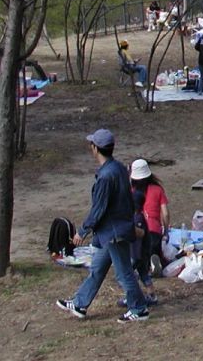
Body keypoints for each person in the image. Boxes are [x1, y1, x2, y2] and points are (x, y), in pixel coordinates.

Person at [57, 129, 148, 323]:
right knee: (98, 267)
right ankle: (80, 303)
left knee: (124, 273)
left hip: (114, 231)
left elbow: (99, 208)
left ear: (95, 148)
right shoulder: (120, 169)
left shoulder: (106, 176)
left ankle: (139, 308)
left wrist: (83, 231)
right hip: (114, 230)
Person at [129, 158, 169, 275]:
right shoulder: (158, 189)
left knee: (137, 252)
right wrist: (165, 231)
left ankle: (143, 265)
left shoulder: (130, 191)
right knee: (154, 248)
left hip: (136, 230)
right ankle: (154, 259)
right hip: (154, 230)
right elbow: (165, 213)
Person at [122, 190, 157, 307]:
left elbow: (139, 237)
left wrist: (135, 257)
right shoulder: (137, 217)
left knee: (127, 275)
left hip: (138, 253)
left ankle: (131, 296)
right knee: (143, 274)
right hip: (141, 253)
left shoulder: (138, 219)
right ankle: (152, 295)